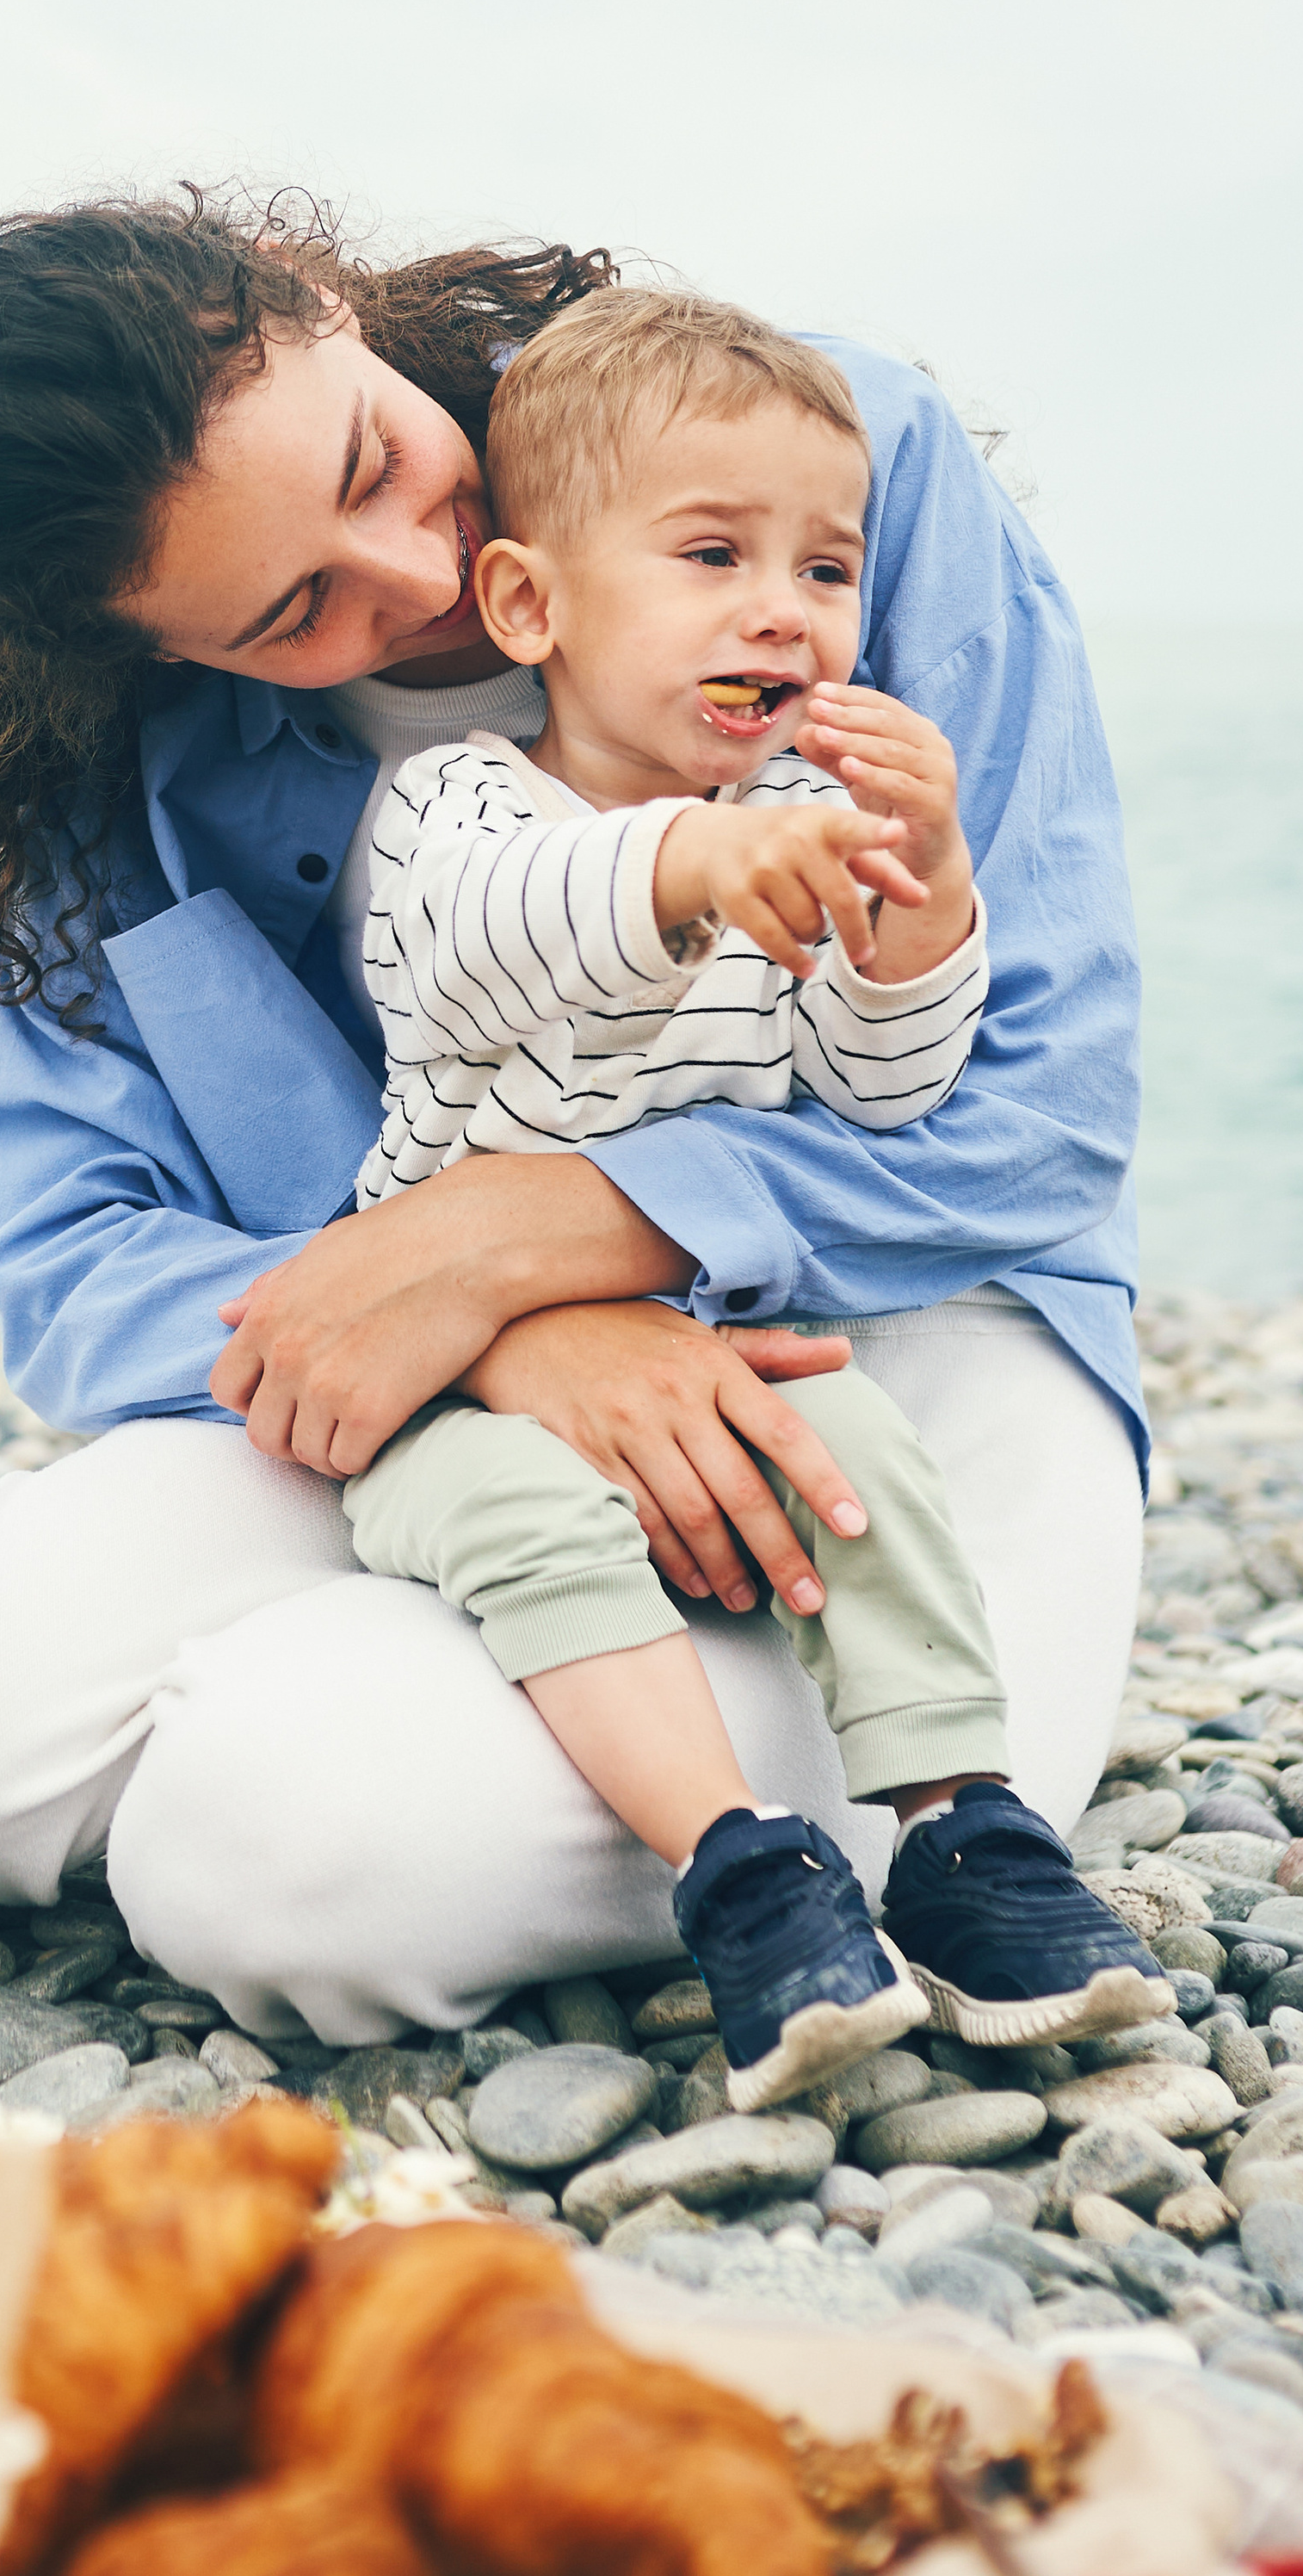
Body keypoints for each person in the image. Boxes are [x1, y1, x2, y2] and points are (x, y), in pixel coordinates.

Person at [0, 194, 1148, 2053]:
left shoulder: (817, 458)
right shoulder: (121, 761)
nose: (410, 569)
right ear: (150, 643)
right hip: (394, 1399)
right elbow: (76, 1267)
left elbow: (1030, 1127)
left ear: (321, 304)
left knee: (291, 1861)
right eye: (288, 610)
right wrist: (502, 1334)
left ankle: (95, 1725)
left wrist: (527, 1243)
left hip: (887, 1345)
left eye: (373, 458)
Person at [338, 284, 1168, 2099]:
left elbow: (880, 1095)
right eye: (712, 555)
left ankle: (965, 1834)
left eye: (824, 571)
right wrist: (702, 859)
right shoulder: (462, 815)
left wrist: (914, 918)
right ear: (530, 607)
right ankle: (739, 1866)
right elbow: (496, 958)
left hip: (712, 1343)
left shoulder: (791, 822)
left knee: (855, 1456)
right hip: (469, 1377)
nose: (779, 611)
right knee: (519, 1529)